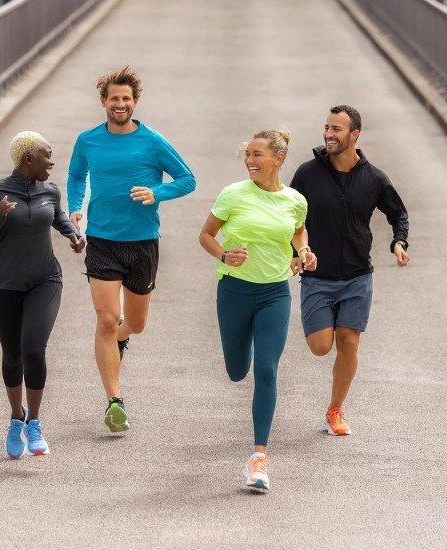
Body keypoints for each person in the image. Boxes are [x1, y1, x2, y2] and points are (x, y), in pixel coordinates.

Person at [66, 66, 196, 433]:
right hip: (103, 241)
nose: (120, 104)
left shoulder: (153, 142)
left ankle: (121, 340)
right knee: (107, 319)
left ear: (135, 102)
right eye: (114, 98)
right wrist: (76, 205)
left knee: (134, 324)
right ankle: (114, 401)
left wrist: (157, 193)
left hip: (142, 243)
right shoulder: (87, 141)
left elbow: (188, 180)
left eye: (126, 99)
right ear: (103, 102)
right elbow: (77, 176)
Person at [199, 130, 316, 492]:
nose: (251, 159)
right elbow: (206, 235)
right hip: (234, 291)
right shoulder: (233, 194)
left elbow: (298, 232)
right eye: (248, 153)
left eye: (258, 154)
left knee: (267, 368)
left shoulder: (295, 200)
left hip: (274, 294)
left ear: (278, 159)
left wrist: (304, 253)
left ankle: (258, 458)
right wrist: (224, 254)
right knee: (237, 371)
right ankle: (244, 343)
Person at [290, 105, 410, 437]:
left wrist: (399, 243)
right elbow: (289, 217)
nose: (328, 134)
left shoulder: (374, 179)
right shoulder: (307, 173)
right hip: (317, 275)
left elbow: (398, 215)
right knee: (320, 346)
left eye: (336, 130)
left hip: (358, 275)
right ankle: (333, 405)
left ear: (354, 135)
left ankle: (335, 410)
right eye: (326, 128)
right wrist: (294, 253)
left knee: (348, 341)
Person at [0, 130, 85, 458]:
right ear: (28, 160)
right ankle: (15, 418)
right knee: (12, 354)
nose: (53, 161)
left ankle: (34, 423)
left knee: (33, 348)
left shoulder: (50, 189)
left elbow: (58, 217)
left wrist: (73, 235)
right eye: (47, 156)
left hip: (45, 280)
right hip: (5, 286)